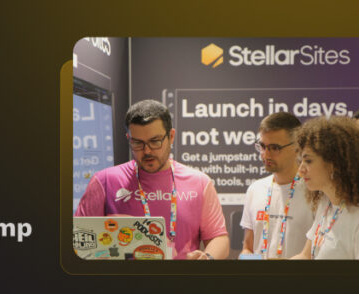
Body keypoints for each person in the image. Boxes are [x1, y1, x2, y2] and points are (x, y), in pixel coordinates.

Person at [75, 99, 230, 260]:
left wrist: (207, 258)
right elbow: (78, 241)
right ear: (129, 138)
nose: (147, 151)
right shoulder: (104, 181)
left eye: (155, 141)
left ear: (171, 136)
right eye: (137, 143)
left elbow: (218, 237)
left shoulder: (199, 182)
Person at [240, 113, 314, 259]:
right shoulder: (255, 189)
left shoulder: (314, 191)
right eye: (262, 146)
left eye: (274, 148)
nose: (266, 155)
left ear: (297, 147)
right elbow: (248, 248)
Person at [292, 116, 359, 259]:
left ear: (334, 163)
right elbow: (305, 256)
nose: (300, 170)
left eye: (308, 161)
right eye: (301, 161)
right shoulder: (325, 204)